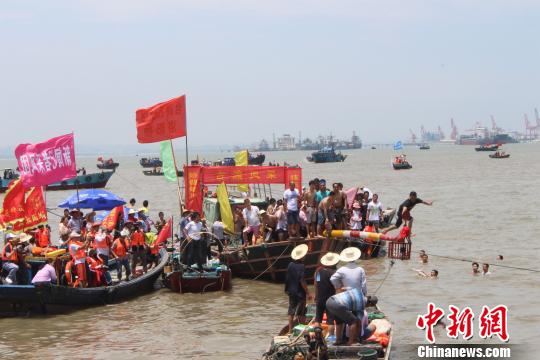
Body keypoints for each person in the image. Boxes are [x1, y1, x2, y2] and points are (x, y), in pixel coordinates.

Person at [285, 244, 313, 333]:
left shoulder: (290, 264)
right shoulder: (301, 266)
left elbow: (288, 278)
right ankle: (301, 330)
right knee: (301, 311)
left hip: (291, 291)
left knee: (291, 310)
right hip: (299, 292)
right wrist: (308, 293)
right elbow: (302, 281)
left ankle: (290, 330)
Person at [314, 252, 339, 340]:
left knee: (318, 319)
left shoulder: (318, 271)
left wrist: (316, 295)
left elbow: (316, 284)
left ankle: (317, 336)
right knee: (330, 320)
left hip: (319, 297)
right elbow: (337, 287)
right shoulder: (334, 273)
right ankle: (331, 338)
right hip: (330, 299)